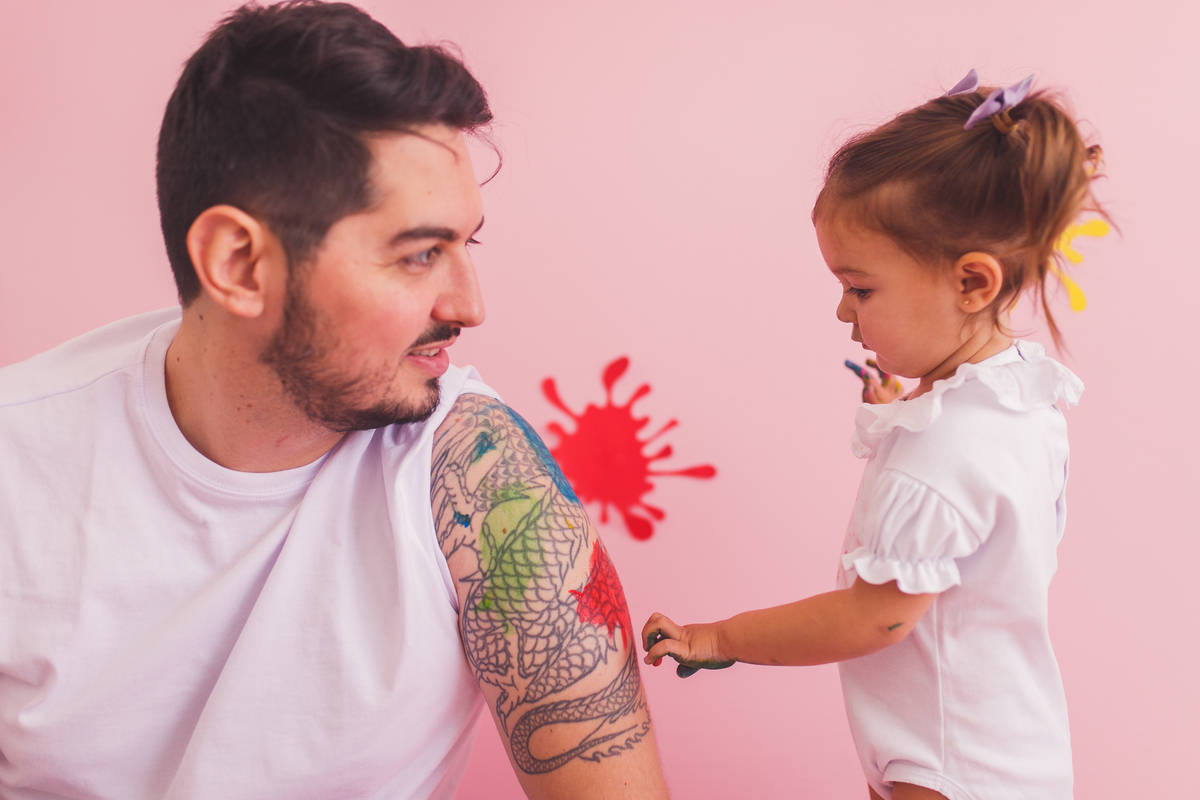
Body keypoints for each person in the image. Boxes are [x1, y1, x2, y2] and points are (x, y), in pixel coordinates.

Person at [0, 2, 671, 798]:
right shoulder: (19, 463)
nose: (469, 304)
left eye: (467, 244)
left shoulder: (477, 480)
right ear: (238, 264)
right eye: (421, 254)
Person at [641, 70, 1104, 800]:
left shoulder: (944, 453)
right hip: (1003, 746)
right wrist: (901, 403)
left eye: (860, 288)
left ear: (972, 284)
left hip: (951, 766)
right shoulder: (1018, 396)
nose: (842, 311)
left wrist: (719, 637)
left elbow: (874, 618)